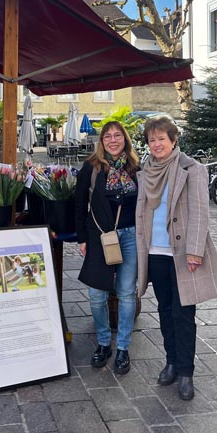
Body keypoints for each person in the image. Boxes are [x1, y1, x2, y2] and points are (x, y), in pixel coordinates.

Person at [136, 116, 217, 400]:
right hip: (155, 253)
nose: (156, 144)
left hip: (182, 253)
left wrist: (194, 251)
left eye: (161, 138)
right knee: (164, 311)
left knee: (184, 313)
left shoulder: (192, 169)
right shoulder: (146, 170)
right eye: (152, 140)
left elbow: (201, 213)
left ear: (173, 140)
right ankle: (172, 362)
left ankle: (186, 372)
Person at [75, 121, 139, 374]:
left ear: (125, 139)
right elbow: (79, 204)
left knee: (125, 293)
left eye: (117, 136)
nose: (113, 140)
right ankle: (104, 342)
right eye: (107, 137)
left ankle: (123, 347)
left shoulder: (136, 168)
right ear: (101, 141)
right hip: (100, 237)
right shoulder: (91, 168)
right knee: (96, 295)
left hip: (131, 236)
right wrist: (82, 238)